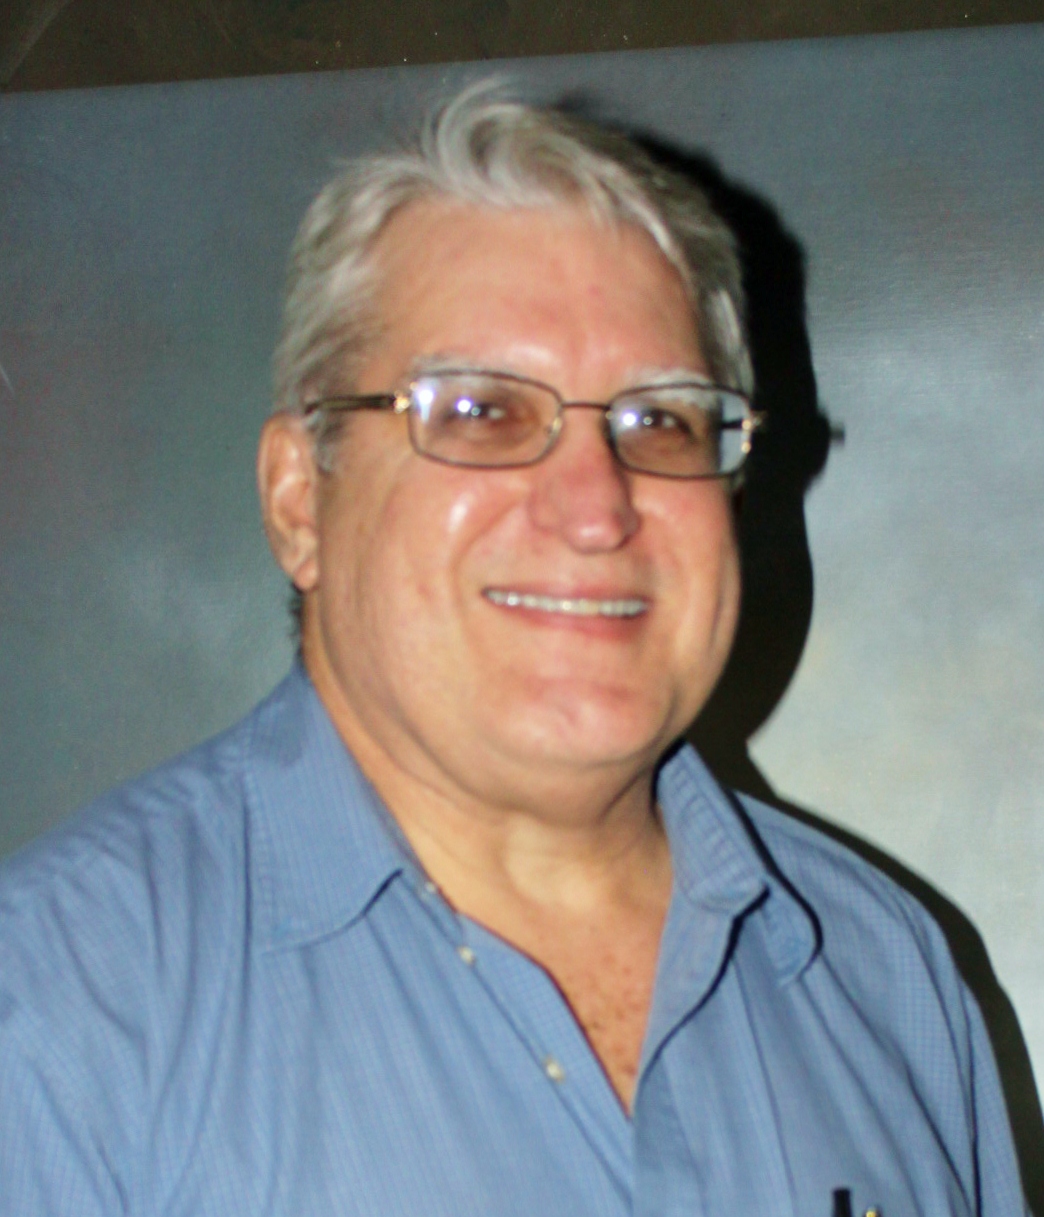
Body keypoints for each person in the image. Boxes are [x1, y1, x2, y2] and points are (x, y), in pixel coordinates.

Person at [0, 86, 1028, 1217]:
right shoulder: (57, 1011)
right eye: (481, 411)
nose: (596, 507)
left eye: (661, 419)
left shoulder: (883, 974)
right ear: (299, 498)